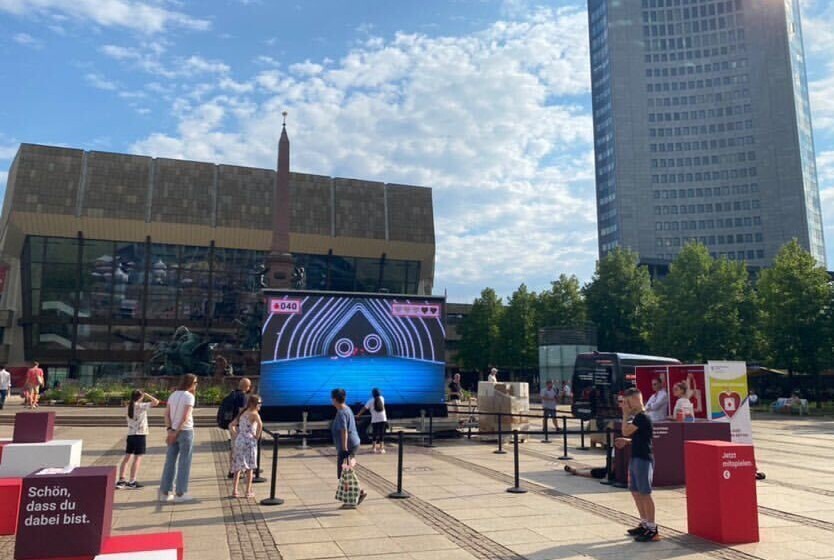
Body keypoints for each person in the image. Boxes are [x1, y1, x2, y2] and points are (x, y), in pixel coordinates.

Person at [615, 387, 659, 542]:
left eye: (627, 401)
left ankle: (652, 528)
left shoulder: (642, 417)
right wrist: (628, 441)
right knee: (636, 491)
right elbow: (639, 436)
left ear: (634, 399)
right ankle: (644, 523)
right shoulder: (639, 418)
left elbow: (626, 431)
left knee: (645, 493)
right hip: (636, 457)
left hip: (643, 459)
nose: (625, 404)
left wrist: (625, 413)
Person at [159, 374, 198, 503]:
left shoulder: (173, 395)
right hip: (185, 431)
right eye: (195, 382)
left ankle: (165, 491)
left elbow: (166, 414)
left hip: (172, 430)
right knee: (184, 461)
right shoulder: (189, 396)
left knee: (170, 460)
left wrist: (170, 430)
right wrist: (176, 431)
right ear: (191, 383)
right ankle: (181, 492)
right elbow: (186, 416)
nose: (196, 385)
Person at [117, 390, 160, 489]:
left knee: (127, 458)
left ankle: (121, 480)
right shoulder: (141, 406)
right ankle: (132, 481)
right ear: (140, 397)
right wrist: (147, 394)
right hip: (140, 435)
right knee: (137, 459)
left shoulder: (128, 406)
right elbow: (156, 402)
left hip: (131, 434)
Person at [331, 388, 366, 508]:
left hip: (347, 446)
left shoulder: (341, 412)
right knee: (347, 472)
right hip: (353, 443)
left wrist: (344, 449)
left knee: (344, 473)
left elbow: (344, 431)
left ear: (334, 399)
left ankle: (352, 500)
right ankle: (357, 494)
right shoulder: (346, 408)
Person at [217, 378, 252, 478]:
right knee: (240, 449)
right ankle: (238, 471)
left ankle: (232, 469)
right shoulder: (242, 397)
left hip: (231, 426)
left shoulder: (232, 394)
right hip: (238, 426)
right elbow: (241, 412)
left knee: (233, 448)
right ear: (247, 387)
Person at [230, 394, 263, 499]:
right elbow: (260, 425)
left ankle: (235, 490)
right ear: (254, 404)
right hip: (249, 441)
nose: (260, 405)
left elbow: (232, 425)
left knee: (237, 466)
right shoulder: (255, 414)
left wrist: (236, 434)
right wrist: (257, 436)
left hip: (240, 440)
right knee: (250, 467)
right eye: (259, 403)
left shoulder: (243, 412)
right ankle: (248, 491)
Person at [357, 388, 387, 454]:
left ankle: (374, 448)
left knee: (374, 433)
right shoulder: (382, 398)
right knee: (381, 433)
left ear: (372, 394)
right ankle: (381, 449)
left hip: (375, 419)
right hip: (383, 418)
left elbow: (364, 409)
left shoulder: (370, 401)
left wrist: (358, 415)